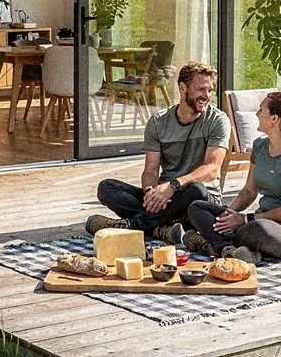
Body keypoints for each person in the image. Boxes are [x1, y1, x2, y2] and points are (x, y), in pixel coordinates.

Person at [86, 61, 231, 241]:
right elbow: (151, 170)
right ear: (183, 88)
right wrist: (150, 194)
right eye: (201, 89)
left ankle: (133, 225)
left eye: (209, 90)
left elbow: (212, 169)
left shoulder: (217, 120)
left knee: (196, 190)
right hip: (166, 198)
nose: (206, 96)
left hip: (198, 202)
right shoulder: (159, 122)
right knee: (107, 187)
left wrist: (173, 186)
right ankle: (160, 228)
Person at [186, 90, 281, 262]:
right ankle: (229, 250)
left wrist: (245, 219)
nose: (256, 113)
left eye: (261, 109)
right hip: (262, 218)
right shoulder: (259, 146)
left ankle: (209, 244)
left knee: (256, 229)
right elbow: (249, 191)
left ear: (274, 119)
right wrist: (230, 213)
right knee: (197, 208)